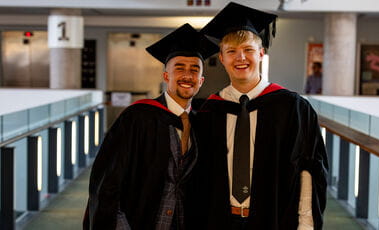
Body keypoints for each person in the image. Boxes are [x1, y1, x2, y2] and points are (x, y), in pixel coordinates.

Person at [193, 2, 328, 229]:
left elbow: (309, 170)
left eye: (248, 50)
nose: (240, 58)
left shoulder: (292, 107)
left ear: (261, 54)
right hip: (219, 219)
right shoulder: (209, 111)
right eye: (232, 52)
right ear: (222, 58)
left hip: (274, 218)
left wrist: (305, 224)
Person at [83, 23, 219, 230]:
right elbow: (108, 182)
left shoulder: (202, 123)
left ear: (201, 80)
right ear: (166, 76)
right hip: (139, 221)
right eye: (179, 68)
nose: (187, 75)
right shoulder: (137, 117)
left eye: (194, 70)